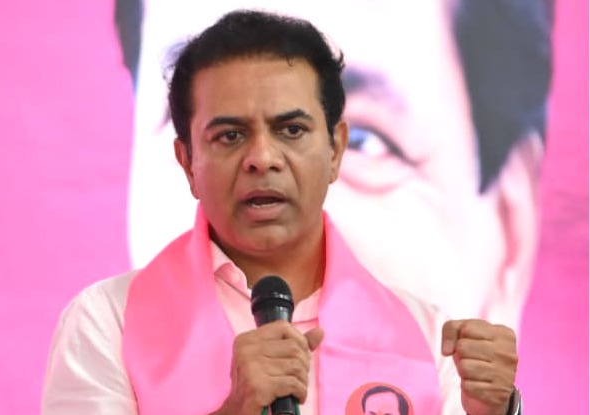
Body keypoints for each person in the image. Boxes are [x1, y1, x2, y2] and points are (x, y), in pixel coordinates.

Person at [42, 9, 522, 415]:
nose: (262, 158)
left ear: (335, 150)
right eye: (230, 135)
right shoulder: (108, 322)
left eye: (291, 130)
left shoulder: (427, 338)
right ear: (187, 162)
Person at [123, 0, 553, 331]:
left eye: (364, 141)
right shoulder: (100, 328)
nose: (266, 168)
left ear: (510, 235)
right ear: (183, 157)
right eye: (225, 133)